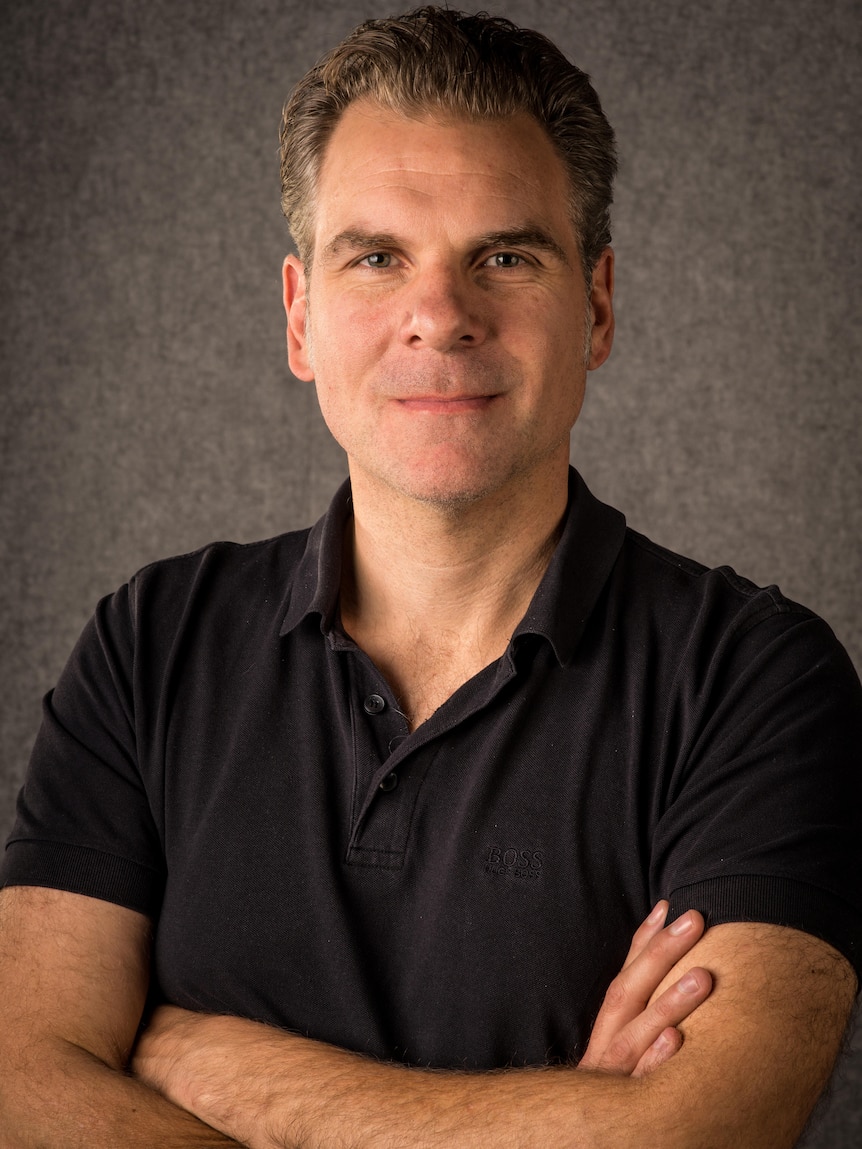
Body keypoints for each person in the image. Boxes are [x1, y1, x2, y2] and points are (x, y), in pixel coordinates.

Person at [1, 7, 860, 1146]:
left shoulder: (757, 683)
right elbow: (19, 1084)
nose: (440, 318)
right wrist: (565, 1114)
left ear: (595, 305)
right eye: (376, 258)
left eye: (503, 256)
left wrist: (211, 1065)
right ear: (302, 317)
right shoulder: (150, 643)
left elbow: (695, 1134)